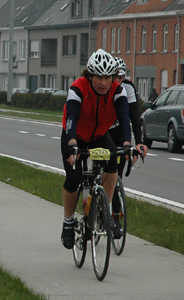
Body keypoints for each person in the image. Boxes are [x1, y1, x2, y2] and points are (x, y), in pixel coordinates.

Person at [60, 49, 133, 249]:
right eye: (99, 77)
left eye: (108, 77)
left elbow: (125, 119)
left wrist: (127, 144)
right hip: (75, 136)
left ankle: (105, 211)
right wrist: (72, 144)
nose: (103, 83)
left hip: (100, 136)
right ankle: (68, 221)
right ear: (90, 76)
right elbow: (71, 117)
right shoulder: (77, 88)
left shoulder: (118, 91)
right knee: (74, 178)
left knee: (112, 165)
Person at [110, 57, 148, 237]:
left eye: (121, 77)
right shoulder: (103, 87)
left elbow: (133, 117)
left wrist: (138, 143)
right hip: (102, 133)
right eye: (114, 76)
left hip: (118, 133)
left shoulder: (128, 88)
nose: (117, 81)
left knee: (115, 176)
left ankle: (115, 217)